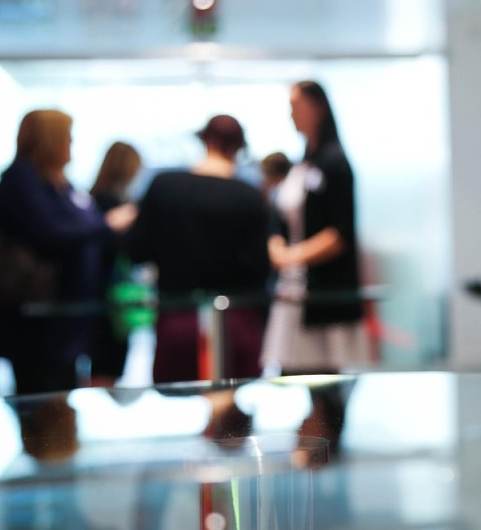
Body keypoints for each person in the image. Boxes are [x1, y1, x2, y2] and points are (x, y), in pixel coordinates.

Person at [0, 109, 135, 395]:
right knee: (43, 404)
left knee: (61, 401)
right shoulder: (22, 181)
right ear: (51, 139)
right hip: (37, 319)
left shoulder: (57, 183)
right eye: (67, 137)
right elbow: (50, 235)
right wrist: (107, 224)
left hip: (65, 317)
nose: (71, 144)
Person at [123, 114, 271, 384]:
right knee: (233, 415)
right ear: (239, 147)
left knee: (177, 409)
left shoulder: (164, 186)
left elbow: (138, 250)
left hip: (177, 320)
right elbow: (261, 267)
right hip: (236, 321)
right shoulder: (248, 196)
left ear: (206, 140)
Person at [261, 81, 364, 375]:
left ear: (318, 108)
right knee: (292, 375)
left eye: (296, 107)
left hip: (324, 295)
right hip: (293, 289)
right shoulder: (303, 164)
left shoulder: (335, 163)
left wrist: (293, 256)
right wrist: (277, 246)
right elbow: (279, 219)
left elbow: (340, 231)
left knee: (324, 385)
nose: (292, 115)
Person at [87, 141, 143, 386]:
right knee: (106, 362)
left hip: (102, 291)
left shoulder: (92, 199)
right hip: (107, 294)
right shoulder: (111, 204)